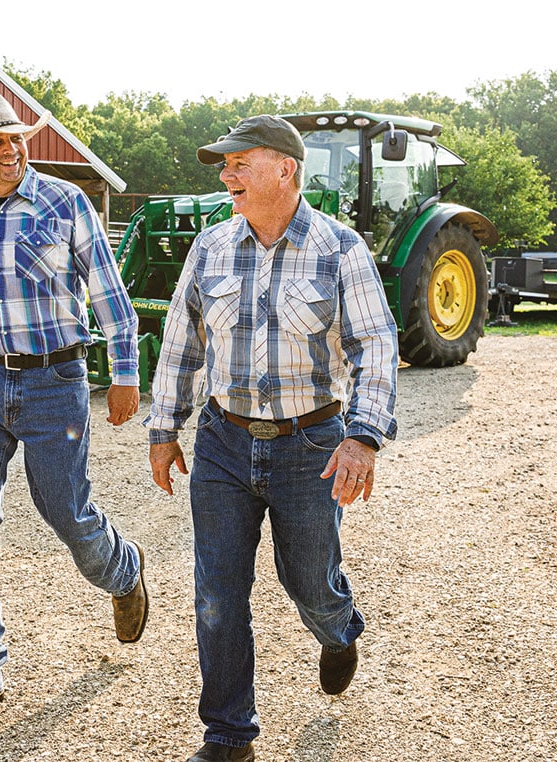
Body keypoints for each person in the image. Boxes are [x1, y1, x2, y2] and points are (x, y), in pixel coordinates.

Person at [144, 115, 398, 762]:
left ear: (285, 168)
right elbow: (181, 342)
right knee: (217, 591)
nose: (226, 175)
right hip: (223, 443)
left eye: (239, 163)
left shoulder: (340, 249)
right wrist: (164, 428)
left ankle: (338, 631)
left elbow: (376, 344)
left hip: (310, 447)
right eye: (224, 166)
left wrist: (363, 436)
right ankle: (229, 736)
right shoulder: (211, 248)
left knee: (309, 581)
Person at [0, 93, 148, 734]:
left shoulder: (65, 203)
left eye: (17, 140)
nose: (12, 150)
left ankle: (124, 573)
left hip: (56, 379)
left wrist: (125, 375)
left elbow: (110, 295)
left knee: (65, 510)